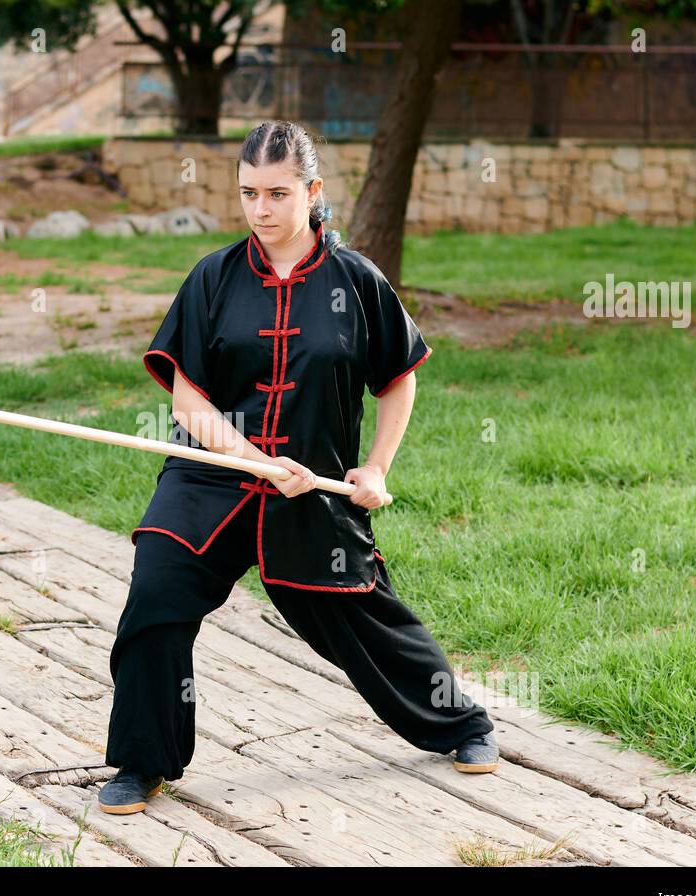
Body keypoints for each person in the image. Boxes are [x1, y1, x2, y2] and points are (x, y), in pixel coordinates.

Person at [99, 121, 496, 815]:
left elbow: (399, 378)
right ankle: (142, 761)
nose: (261, 210)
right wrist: (250, 457)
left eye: (278, 194)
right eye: (249, 193)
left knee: (360, 614)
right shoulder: (214, 278)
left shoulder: (355, 282)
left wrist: (374, 466)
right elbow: (189, 399)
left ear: (313, 192)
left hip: (309, 486)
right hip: (210, 477)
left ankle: (461, 722)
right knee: (156, 592)